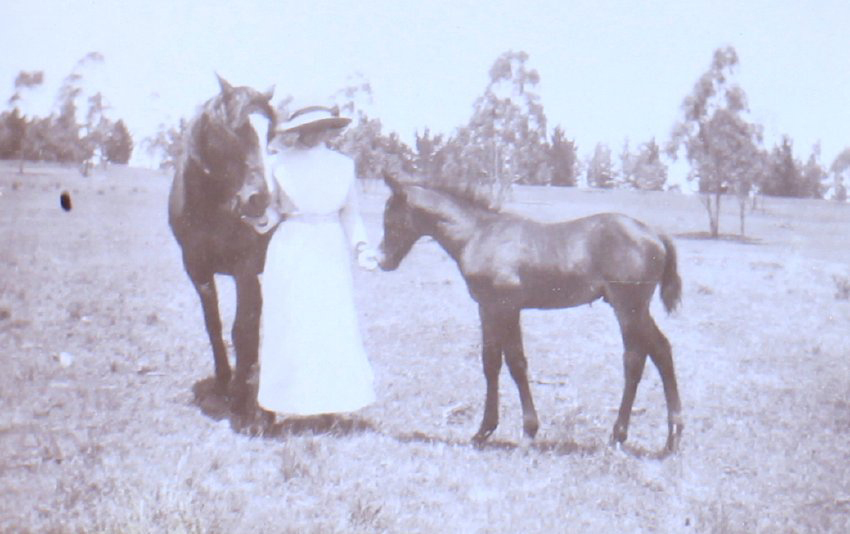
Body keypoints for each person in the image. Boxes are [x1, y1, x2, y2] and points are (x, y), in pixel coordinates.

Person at [244, 103, 378, 417]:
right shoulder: (278, 163)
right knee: (289, 321)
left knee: (329, 322)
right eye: (309, 127)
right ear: (298, 130)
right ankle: (283, 401)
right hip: (291, 244)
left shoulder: (343, 165)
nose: (315, 133)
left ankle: (331, 404)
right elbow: (276, 211)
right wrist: (259, 219)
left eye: (322, 127)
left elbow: (350, 212)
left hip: (330, 247)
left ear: (330, 129)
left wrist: (361, 247)